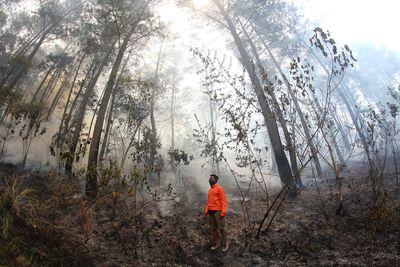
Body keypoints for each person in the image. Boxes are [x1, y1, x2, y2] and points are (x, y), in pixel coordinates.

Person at [204, 174, 229, 251]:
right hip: (210, 212)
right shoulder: (210, 190)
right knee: (213, 229)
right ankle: (216, 243)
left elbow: (223, 201)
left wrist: (223, 212)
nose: (209, 180)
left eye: (211, 178)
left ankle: (225, 243)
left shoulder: (219, 189)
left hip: (218, 212)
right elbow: (209, 202)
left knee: (221, 228)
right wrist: (206, 210)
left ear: (215, 180)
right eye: (209, 178)